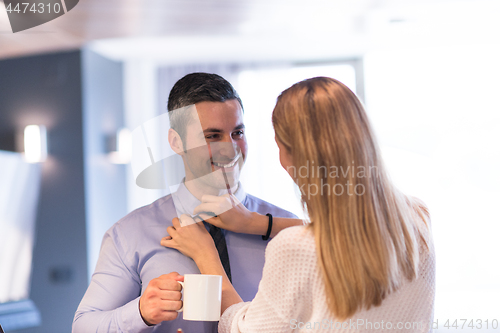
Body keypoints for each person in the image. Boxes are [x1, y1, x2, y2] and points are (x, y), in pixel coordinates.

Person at [162, 77, 436, 332]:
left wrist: (206, 256)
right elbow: (354, 227)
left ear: (292, 157)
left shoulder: (295, 248)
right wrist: (257, 223)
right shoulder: (416, 217)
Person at [72, 73, 298, 333]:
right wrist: (140, 312)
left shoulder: (287, 232)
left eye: (237, 132)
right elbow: (83, 327)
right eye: (212, 136)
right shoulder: (129, 234)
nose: (231, 149)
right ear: (176, 142)